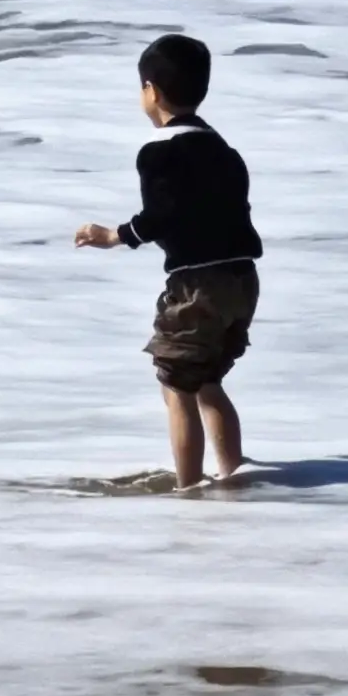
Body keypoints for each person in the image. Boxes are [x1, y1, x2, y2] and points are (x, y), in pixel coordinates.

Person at [74, 32, 261, 485]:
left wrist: (114, 235)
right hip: (243, 280)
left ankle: (189, 487)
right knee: (210, 380)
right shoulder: (224, 150)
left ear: (151, 92)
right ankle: (233, 472)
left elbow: (161, 214)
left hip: (198, 286)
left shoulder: (159, 152)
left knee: (177, 386)